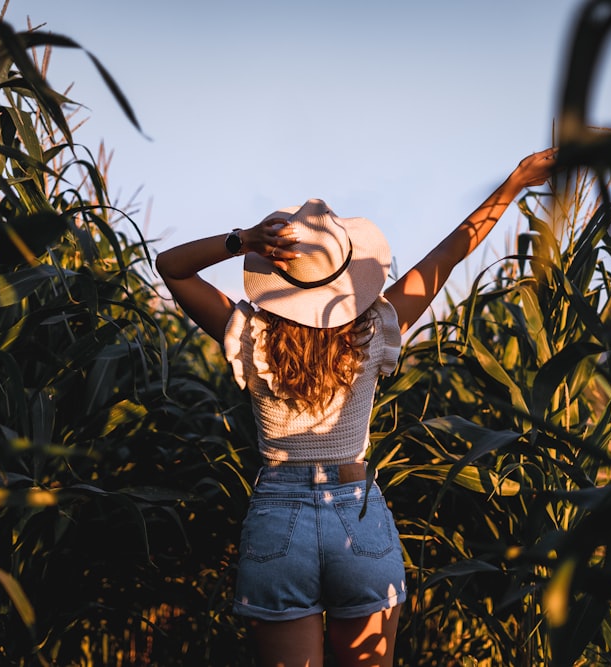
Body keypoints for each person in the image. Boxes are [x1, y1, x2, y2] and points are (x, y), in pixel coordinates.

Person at [155, 147, 556, 667]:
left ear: (280, 281)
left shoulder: (250, 335)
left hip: (278, 517)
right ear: (347, 278)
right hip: (357, 515)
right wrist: (513, 184)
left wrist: (245, 240)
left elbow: (170, 267)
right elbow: (451, 253)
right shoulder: (374, 331)